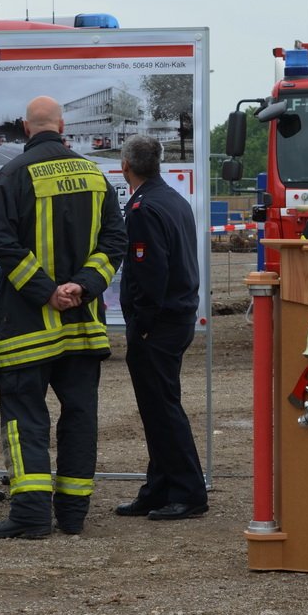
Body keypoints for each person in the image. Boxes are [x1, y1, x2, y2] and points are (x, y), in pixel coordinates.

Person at [0, 96, 126, 538]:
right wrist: (81, 287)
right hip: (83, 326)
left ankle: (29, 515)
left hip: (28, 326)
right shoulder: (93, 173)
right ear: (62, 126)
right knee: (80, 415)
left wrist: (47, 293)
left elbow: (4, 245)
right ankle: (72, 514)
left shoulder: (11, 174)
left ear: (27, 129)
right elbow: (115, 241)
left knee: (25, 415)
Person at [114, 135, 208, 520]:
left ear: (125, 167)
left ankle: (189, 491)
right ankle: (158, 488)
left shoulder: (143, 208)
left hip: (160, 323)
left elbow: (151, 272)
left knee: (163, 409)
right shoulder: (172, 199)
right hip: (176, 317)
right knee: (157, 408)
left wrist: (145, 323)